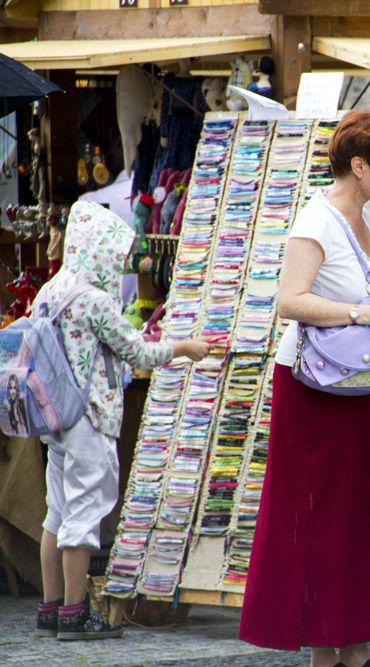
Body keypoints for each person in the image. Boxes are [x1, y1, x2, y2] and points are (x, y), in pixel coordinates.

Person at [239, 108, 370, 667]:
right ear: (359, 164)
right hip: (315, 395)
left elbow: (363, 302)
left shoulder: (360, 221)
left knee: (360, 518)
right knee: (322, 521)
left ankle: (355, 648)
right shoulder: (316, 220)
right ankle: (331, 658)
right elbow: (290, 301)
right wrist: (365, 313)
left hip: (351, 393)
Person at [36, 201, 211, 640]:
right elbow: (139, 352)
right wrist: (185, 348)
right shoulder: (94, 300)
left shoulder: (52, 289)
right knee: (83, 512)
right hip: (88, 416)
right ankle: (76, 613)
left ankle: (52, 606)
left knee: (55, 512)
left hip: (54, 415)